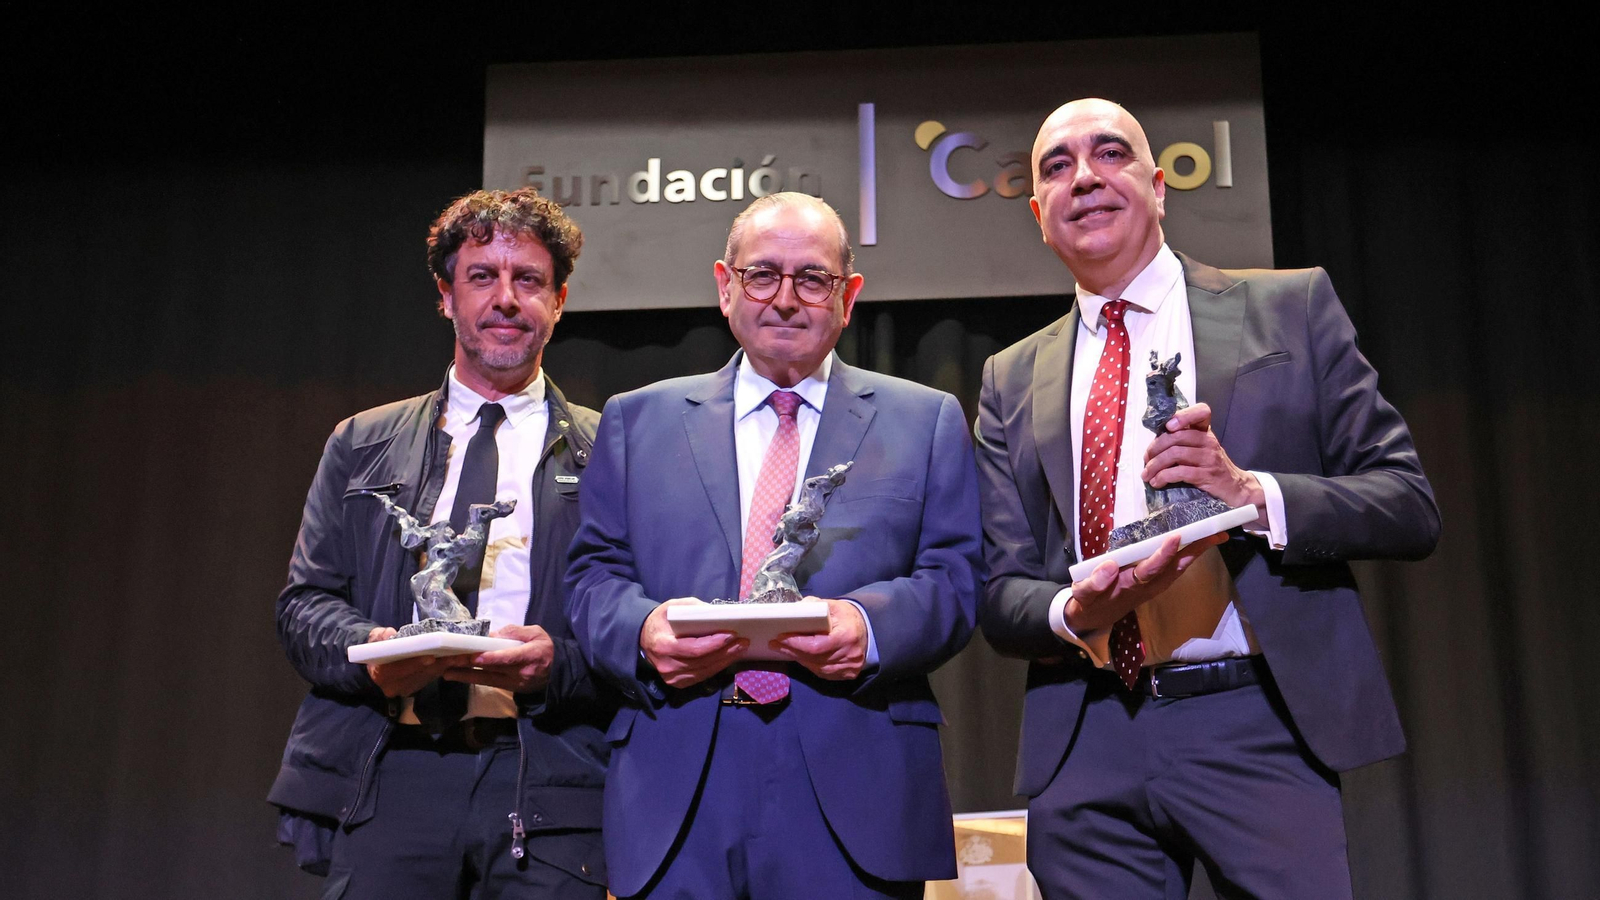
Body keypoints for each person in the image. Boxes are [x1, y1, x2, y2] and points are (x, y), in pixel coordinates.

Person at [974, 99, 1440, 899]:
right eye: (1058, 166)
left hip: (1253, 718)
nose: (1084, 176)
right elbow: (999, 589)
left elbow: (1406, 502)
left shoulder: (1288, 307)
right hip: (1084, 733)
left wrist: (1249, 493)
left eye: (1110, 154)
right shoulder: (1009, 377)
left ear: (1158, 187)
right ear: (1039, 215)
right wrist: (1073, 612)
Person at [566, 192, 983, 899]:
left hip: (854, 777)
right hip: (679, 777)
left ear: (848, 297)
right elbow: (591, 577)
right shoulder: (637, 421)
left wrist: (871, 626)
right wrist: (643, 630)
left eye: (812, 278)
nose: (786, 299)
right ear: (725, 287)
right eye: (762, 275)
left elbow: (957, 579)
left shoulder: (926, 420)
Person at [271, 188, 614, 899]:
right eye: (482, 276)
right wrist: (373, 654)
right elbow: (304, 607)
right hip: (394, 767)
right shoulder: (363, 442)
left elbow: (633, 616)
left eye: (529, 280)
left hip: (547, 770)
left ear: (560, 300)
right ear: (445, 296)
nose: (506, 299)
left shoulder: (613, 447)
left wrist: (561, 666)